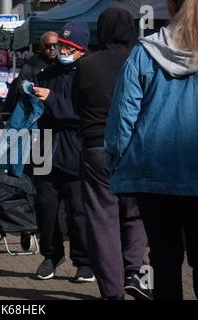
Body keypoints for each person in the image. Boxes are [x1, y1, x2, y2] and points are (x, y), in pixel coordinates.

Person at [105, 0, 198, 300]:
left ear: (170, 8)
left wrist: (115, 163)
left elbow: (122, 118)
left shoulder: (144, 53)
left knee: (164, 257)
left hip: (153, 174)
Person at [74, 8, 151, 300]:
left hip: (95, 148)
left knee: (102, 221)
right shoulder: (141, 60)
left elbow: (75, 104)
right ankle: (135, 272)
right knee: (137, 214)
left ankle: (112, 292)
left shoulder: (87, 64)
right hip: (135, 146)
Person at [32, 22, 95, 282]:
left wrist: (52, 100)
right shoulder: (46, 74)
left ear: (82, 50)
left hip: (75, 151)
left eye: (70, 47)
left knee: (78, 212)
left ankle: (84, 262)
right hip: (45, 148)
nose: (63, 50)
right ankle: (51, 255)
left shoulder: (88, 75)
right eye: (61, 45)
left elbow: (82, 113)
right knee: (45, 209)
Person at [3, 32, 58, 114]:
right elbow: (21, 90)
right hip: (36, 113)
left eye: (55, 45)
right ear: (42, 46)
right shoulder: (31, 65)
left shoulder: (61, 64)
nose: (52, 48)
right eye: (48, 45)